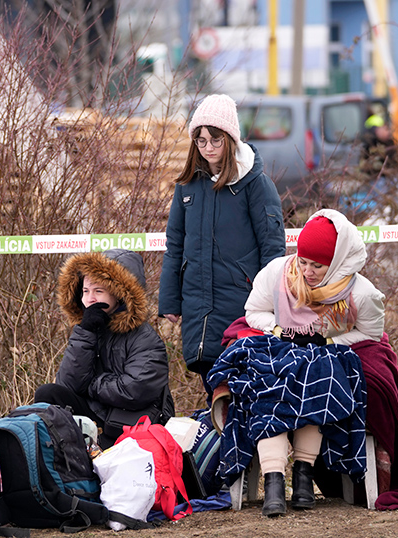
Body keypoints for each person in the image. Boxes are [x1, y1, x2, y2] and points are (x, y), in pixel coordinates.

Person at [209, 209, 383, 517]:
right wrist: (279, 330)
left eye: (318, 265)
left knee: (318, 377)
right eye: (303, 261)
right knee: (267, 384)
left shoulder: (361, 292)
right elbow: (254, 312)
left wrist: (329, 341)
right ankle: (273, 482)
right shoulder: (279, 273)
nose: (307, 272)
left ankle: (303, 477)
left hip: (325, 355)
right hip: (278, 348)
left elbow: (372, 332)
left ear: (337, 262)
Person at [159, 94, 286, 393]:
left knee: (240, 393)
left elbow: (272, 248)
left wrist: (271, 302)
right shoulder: (187, 186)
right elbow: (174, 245)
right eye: (201, 141)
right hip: (196, 309)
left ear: (230, 139)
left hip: (242, 306)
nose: (208, 148)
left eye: (215, 140)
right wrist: (169, 301)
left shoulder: (256, 184)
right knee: (212, 391)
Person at [35, 249, 173, 449]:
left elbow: (133, 390)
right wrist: (85, 331)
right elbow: (67, 384)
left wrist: (92, 385)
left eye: (98, 291)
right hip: (97, 414)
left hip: (131, 423)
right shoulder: (89, 330)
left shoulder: (144, 338)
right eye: (85, 291)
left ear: (119, 294)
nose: (90, 298)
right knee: (48, 394)